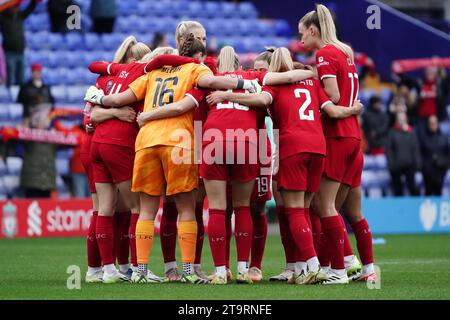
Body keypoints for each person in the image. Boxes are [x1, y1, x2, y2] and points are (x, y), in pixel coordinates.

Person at [85, 35, 260, 285]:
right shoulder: (194, 69)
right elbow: (211, 82)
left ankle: (141, 272)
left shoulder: (152, 73)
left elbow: (117, 100)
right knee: (187, 209)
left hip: (146, 142)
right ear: (198, 55)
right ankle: (188, 271)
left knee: (146, 209)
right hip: (178, 142)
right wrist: (244, 83)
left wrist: (98, 99)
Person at [207, 47, 363, 285]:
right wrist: (353, 109)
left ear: (271, 68)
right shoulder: (311, 83)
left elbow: (263, 98)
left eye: (263, 69)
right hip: (316, 147)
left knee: (290, 210)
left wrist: (226, 95)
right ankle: (319, 265)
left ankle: (311, 265)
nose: (259, 72)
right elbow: (330, 107)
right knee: (309, 209)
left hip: (287, 148)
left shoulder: (270, 85)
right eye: (256, 69)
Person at [299, 4, 375, 284]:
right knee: (354, 212)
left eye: (302, 34)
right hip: (355, 138)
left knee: (324, 204)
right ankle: (367, 269)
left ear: (313, 30)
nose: (301, 40)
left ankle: (339, 270)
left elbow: (332, 94)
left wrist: (310, 79)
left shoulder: (325, 53)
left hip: (338, 136)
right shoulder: (346, 52)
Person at [20, 109, 56, 198]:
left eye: (44, 122)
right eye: (40, 121)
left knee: (45, 207)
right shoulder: (29, 136)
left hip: (47, 180)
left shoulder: (52, 137)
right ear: (35, 123)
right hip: (31, 180)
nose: (43, 124)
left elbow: (68, 142)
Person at [0, 0, 38, 86]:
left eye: (17, 6)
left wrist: (34, 2)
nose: (16, 8)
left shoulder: (20, 16)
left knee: (21, 78)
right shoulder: (3, 18)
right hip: (9, 52)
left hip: (20, 51)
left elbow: (30, 9)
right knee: (11, 79)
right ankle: (10, 98)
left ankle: (20, 96)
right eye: (14, 6)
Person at [386, 112, 421, 196]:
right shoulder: (392, 132)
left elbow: (415, 148)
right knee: (397, 190)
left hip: (409, 165)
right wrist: (392, 165)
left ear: (406, 119)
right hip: (396, 166)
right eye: (399, 118)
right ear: (397, 120)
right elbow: (389, 149)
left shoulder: (411, 132)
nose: (401, 120)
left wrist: (417, 164)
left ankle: (413, 206)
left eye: (403, 118)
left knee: (412, 187)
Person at [419, 115, 449, 196]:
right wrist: (424, 167)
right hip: (427, 172)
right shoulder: (424, 138)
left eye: (434, 123)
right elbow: (420, 154)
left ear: (438, 124)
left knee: (438, 193)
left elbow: (447, 155)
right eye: (431, 123)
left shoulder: (443, 138)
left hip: (440, 171)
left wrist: (444, 166)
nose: (433, 125)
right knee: (428, 193)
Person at [18, 63, 54, 128]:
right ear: (32, 73)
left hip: (44, 111)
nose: (37, 74)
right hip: (30, 111)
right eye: (35, 71)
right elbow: (20, 100)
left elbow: (52, 102)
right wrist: (32, 98)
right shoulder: (25, 87)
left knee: (42, 118)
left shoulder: (45, 87)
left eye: (38, 72)